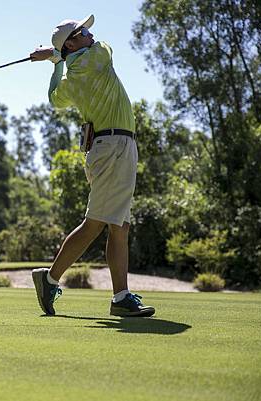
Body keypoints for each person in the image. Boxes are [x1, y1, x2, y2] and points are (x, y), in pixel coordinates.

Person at [29, 15, 155, 317]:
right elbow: (104, 47)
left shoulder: (70, 80)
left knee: (119, 225)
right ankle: (49, 280)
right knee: (96, 223)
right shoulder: (97, 57)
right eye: (84, 31)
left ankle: (120, 296)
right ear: (73, 42)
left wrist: (56, 61)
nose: (91, 33)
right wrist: (55, 54)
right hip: (114, 148)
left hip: (111, 147)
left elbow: (53, 98)